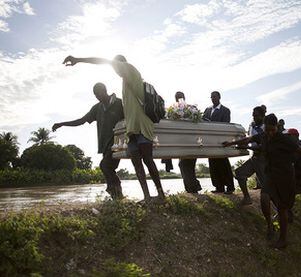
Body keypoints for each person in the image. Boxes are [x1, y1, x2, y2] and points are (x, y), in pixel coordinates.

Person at [63, 55, 165, 202]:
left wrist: (78, 60)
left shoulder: (130, 71)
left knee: (148, 160)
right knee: (137, 164)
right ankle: (147, 196)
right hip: (131, 131)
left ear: (121, 63)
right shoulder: (124, 83)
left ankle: (161, 194)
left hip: (142, 126)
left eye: (116, 66)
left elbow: (103, 61)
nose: (115, 70)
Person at [224, 114, 301, 249]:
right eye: (267, 130)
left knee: (283, 208)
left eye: (272, 130)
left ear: (277, 128)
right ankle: (270, 226)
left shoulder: (285, 140)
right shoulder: (264, 136)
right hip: (271, 175)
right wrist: (231, 143)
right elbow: (249, 139)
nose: (270, 133)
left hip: (285, 177)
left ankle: (284, 239)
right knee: (264, 197)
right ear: (264, 127)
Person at [52, 83, 124, 200]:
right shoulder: (97, 108)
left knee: (105, 165)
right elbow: (82, 120)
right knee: (109, 167)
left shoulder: (120, 103)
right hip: (105, 145)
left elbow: (130, 119)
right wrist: (62, 124)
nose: (97, 96)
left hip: (118, 142)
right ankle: (117, 196)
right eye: (95, 95)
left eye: (99, 93)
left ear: (105, 90)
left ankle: (117, 194)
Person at [202, 91, 234, 194]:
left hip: (220, 141)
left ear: (219, 97)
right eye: (211, 97)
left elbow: (226, 125)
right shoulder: (207, 110)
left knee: (223, 163)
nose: (213, 98)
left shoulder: (225, 110)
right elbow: (202, 122)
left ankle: (230, 187)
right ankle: (219, 187)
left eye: (214, 97)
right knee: (213, 164)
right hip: (209, 141)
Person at [234, 106, 266, 205]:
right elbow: (249, 139)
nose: (254, 118)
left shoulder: (267, 127)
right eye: (253, 116)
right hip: (255, 157)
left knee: (267, 188)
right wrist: (242, 145)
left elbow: (263, 146)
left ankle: (285, 212)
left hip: (265, 158)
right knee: (239, 173)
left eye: (256, 116)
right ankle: (247, 198)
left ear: (262, 116)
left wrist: (246, 147)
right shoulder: (252, 126)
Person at [175, 91, 202, 193]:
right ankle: (192, 188)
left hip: (191, 139)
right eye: (177, 97)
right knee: (184, 164)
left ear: (184, 97)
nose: (179, 99)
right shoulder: (174, 109)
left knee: (188, 164)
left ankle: (193, 188)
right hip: (181, 141)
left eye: (180, 97)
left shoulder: (191, 108)